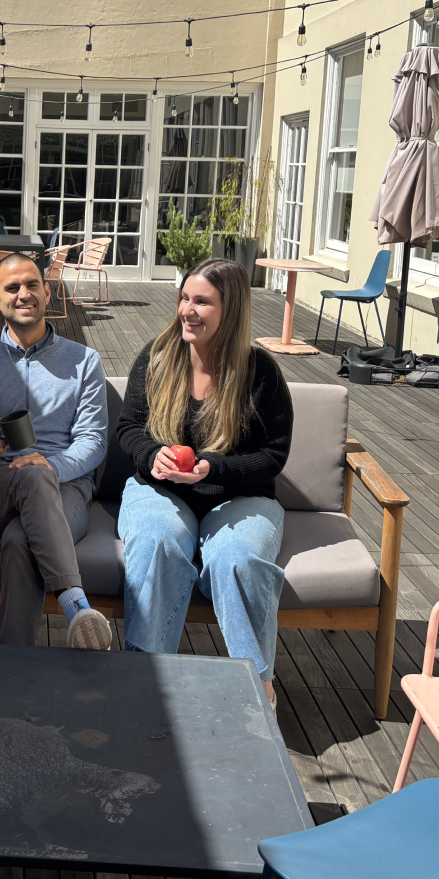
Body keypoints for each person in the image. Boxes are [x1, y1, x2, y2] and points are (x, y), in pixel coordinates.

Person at [115, 257, 293, 704]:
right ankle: (144, 680)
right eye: (184, 298)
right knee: (157, 540)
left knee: (238, 557)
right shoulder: (157, 357)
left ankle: (257, 689)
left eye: (202, 301)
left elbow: (273, 455)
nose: (187, 310)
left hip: (239, 496)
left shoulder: (260, 373)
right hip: (160, 490)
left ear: (230, 310)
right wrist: (152, 454)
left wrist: (215, 467)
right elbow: (128, 427)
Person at [0, 253, 111, 649]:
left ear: (47, 291)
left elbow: (93, 441)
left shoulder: (84, 361)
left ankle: (13, 668)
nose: (23, 294)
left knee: (19, 539)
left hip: (66, 488)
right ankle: (76, 605)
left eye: (31, 285)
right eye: (12, 288)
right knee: (28, 474)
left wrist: (51, 466)